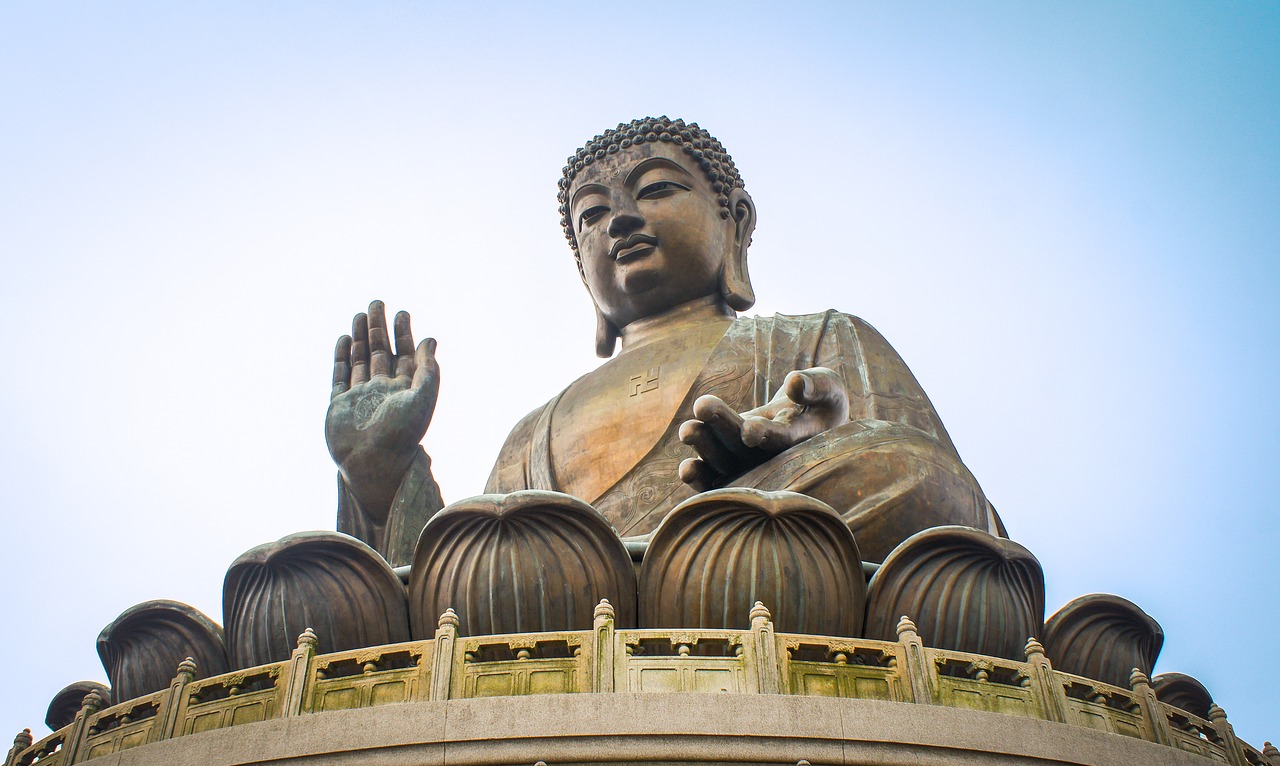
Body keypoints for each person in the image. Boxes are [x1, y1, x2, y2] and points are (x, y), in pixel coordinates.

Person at [326, 117, 999, 566]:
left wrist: (815, 443)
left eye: (654, 190)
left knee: (913, 472)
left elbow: (957, 509)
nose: (619, 219)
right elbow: (447, 581)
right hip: (566, 601)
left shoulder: (817, 337)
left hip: (753, 564)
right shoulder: (534, 432)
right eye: (592, 214)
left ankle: (701, 548)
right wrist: (381, 474)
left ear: (733, 223)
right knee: (483, 557)